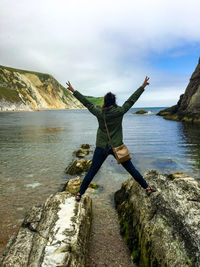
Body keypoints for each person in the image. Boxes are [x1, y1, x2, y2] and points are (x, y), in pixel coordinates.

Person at [66, 77, 156, 201]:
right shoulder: (120, 111)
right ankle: (147, 187)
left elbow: (86, 103)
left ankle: (79, 194)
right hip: (117, 147)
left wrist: (73, 91)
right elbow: (131, 101)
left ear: (105, 102)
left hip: (101, 147)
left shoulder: (99, 113)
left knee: (92, 172)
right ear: (114, 101)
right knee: (131, 169)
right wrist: (142, 87)